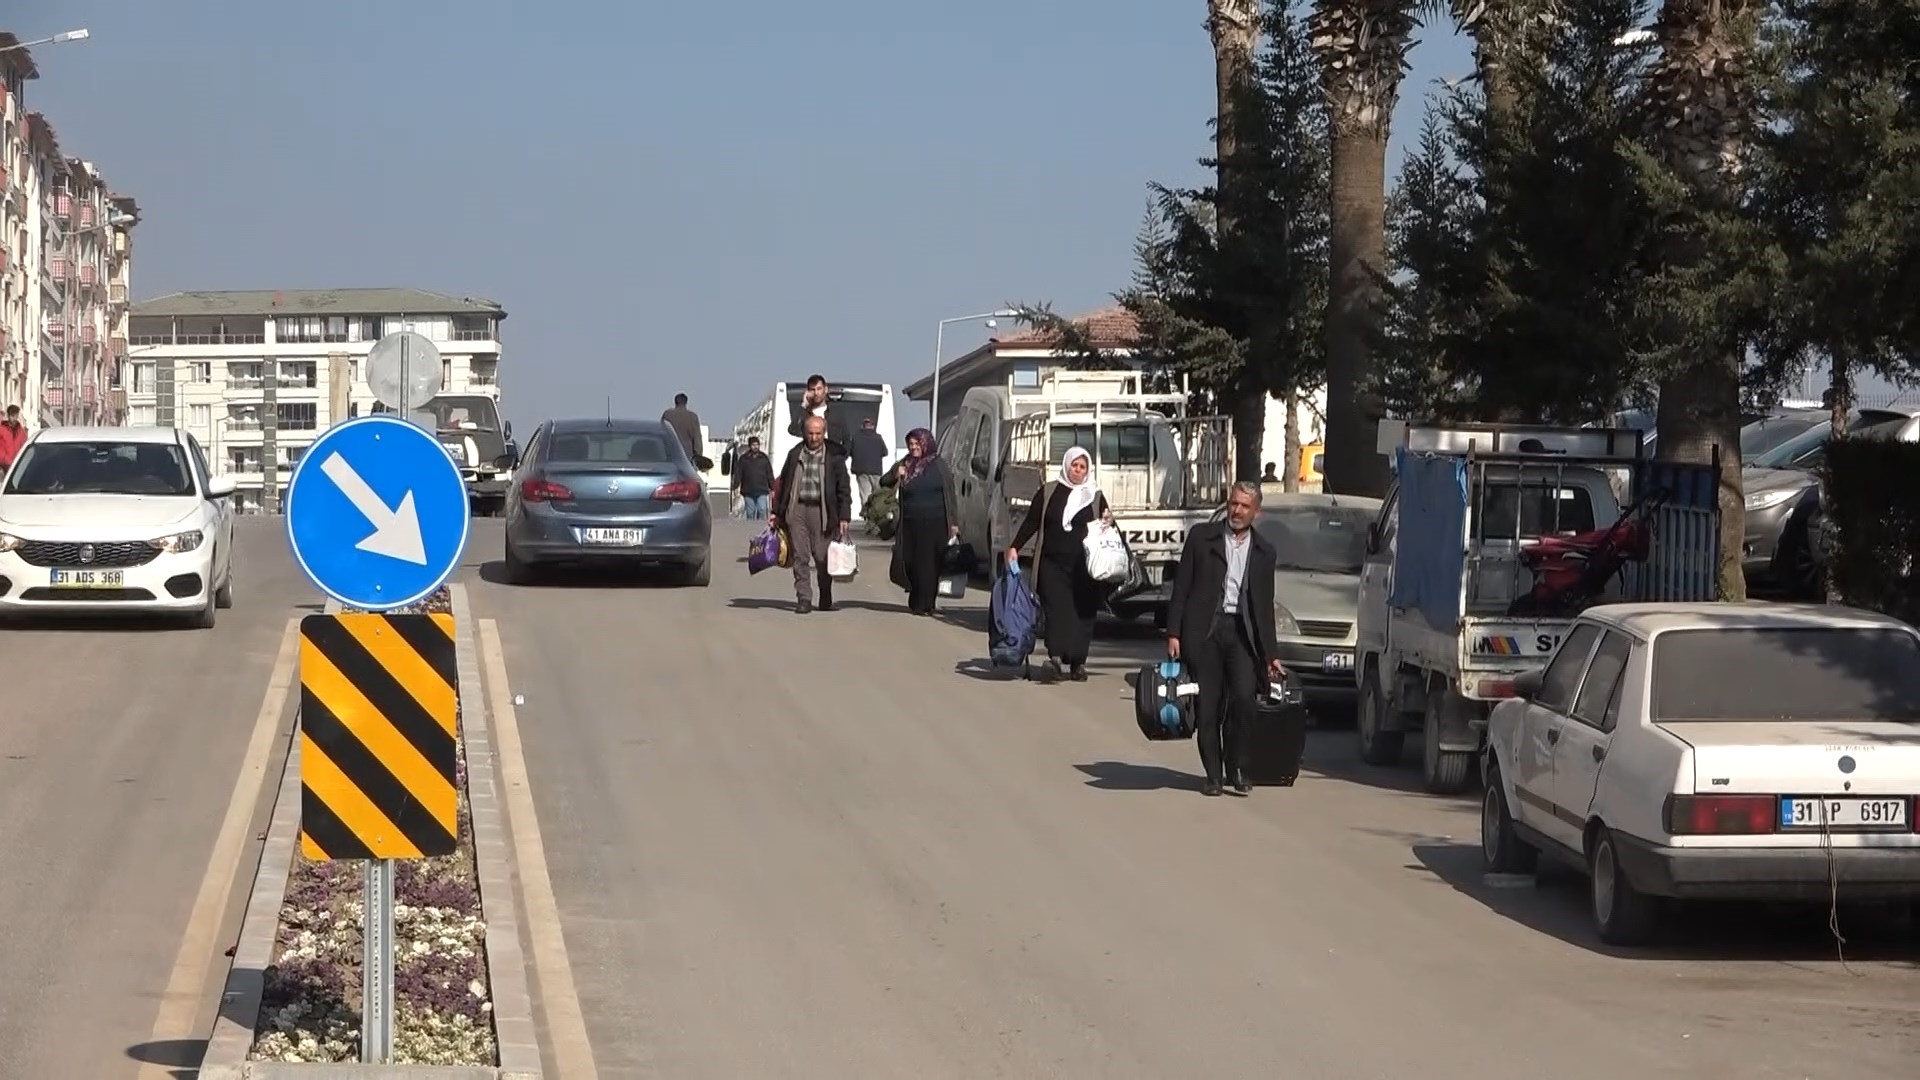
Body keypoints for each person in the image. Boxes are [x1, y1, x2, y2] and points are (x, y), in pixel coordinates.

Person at [1167, 481, 1285, 797]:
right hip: (1204, 632)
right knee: (1208, 706)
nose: (1236, 510)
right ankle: (1213, 775)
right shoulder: (1201, 539)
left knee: (1244, 701)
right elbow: (1182, 587)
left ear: (1256, 512)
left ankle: (1237, 766)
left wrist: (1271, 654)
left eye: (1244, 506)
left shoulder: (1264, 552)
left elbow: (1264, 606)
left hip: (1242, 634)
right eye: (1233, 503)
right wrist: (1174, 632)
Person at [1005, 446, 1112, 682]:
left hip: (1084, 568)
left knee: (1082, 614)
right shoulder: (1049, 492)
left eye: (1082, 467)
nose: (1078, 470)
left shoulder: (1094, 496)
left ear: (1088, 471)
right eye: (1074, 465)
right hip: (1052, 565)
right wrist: (1015, 546)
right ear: (1066, 465)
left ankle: (1077, 662)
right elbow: (1032, 521)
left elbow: (1108, 526)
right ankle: (1054, 658)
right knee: (1056, 611)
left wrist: (1110, 528)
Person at [770, 414, 852, 614]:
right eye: (810, 433)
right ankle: (804, 598)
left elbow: (844, 488)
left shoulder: (834, 458)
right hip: (797, 510)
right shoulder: (795, 454)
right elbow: (784, 485)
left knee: (822, 558)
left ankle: (825, 593)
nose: (814, 437)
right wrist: (776, 512)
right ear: (804, 434)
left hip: (823, 512)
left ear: (824, 433)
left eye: (818, 433)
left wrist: (844, 516)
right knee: (800, 556)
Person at [881, 427, 959, 616]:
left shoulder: (939, 465)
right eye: (911, 444)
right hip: (910, 522)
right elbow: (884, 482)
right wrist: (895, 474)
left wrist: (954, 523)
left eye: (917, 444)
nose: (914, 447)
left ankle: (926, 603)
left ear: (926, 444)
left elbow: (950, 494)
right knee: (912, 561)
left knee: (931, 563)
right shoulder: (905, 463)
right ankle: (916, 597)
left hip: (936, 522)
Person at [788, 373, 853, 453]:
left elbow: (847, 439)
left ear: (825, 390)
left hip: (832, 459)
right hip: (811, 460)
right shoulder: (805, 415)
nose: (816, 393)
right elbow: (793, 429)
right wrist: (803, 405)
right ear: (808, 392)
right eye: (812, 390)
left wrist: (841, 458)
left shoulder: (836, 414)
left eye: (819, 389)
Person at [850, 417, 890, 519]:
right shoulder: (878, 438)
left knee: (865, 493)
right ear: (873, 426)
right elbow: (885, 452)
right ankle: (877, 513)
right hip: (876, 469)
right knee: (877, 493)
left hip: (861, 469)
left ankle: (867, 514)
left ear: (862, 426)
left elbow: (850, 452)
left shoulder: (855, 437)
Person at [734, 436, 775, 519]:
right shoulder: (744, 459)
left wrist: (773, 488)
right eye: (753, 445)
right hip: (748, 490)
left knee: (762, 509)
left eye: (757, 445)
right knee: (750, 512)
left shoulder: (764, 458)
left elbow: (769, 474)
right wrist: (736, 486)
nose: (755, 447)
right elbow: (739, 473)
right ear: (749, 446)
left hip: (762, 490)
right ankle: (751, 529)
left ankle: (760, 528)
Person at [662, 393, 702, 462]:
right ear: (686, 402)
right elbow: (697, 440)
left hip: (669, 455)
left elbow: (661, 434)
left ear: (675, 402)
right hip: (687, 457)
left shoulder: (667, 415)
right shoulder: (692, 417)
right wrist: (698, 456)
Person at [0, 405, 25, 471]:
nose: (14, 419)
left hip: (17, 464)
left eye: (16, 416)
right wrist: (6, 460)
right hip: (3, 465)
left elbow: (23, 445)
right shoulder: (2, 429)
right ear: (8, 416)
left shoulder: (20, 430)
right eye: (12, 416)